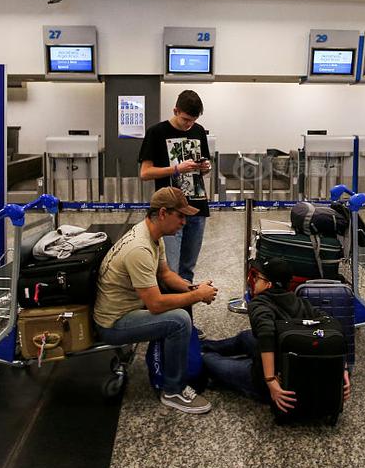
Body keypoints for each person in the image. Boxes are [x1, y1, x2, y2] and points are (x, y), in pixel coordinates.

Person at [94, 187, 219, 414]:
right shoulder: (140, 249)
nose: (184, 222)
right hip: (114, 323)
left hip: (127, 308)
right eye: (180, 216)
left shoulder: (152, 234)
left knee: (176, 297)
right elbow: (156, 304)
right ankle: (173, 390)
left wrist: (194, 288)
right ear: (163, 213)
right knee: (179, 321)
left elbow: (165, 274)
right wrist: (197, 296)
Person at [201, 259, 351, 412]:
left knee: (208, 360)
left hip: (272, 378)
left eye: (257, 277)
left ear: (268, 284)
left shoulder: (259, 304)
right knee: (246, 337)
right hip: (290, 359)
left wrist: (270, 380)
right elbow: (334, 327)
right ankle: (207, 346)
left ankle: (202, 352)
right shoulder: (299, 301)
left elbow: (267, 335)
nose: (254, 281)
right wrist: (343, 369)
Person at [138, 90, 212, 287]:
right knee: (170, 269)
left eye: (193, 120)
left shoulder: (198, 131)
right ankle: (171, 303)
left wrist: (205, 168)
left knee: (188, 268)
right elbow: (145, 173)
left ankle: (185, 302)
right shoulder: (156, 132)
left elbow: (203, 167)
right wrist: (176, 169)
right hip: (170, 209)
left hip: (197, 206)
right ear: (175, 111)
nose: (189, 125)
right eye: (185, 119)